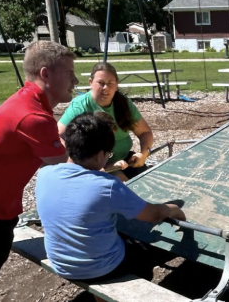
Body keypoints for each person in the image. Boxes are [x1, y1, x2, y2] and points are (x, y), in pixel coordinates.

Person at [36, 113, 185, 295]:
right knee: (145, 256)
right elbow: (153, 215)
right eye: (109, 154)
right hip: (100, 268)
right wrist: (173, 209)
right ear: (100, 155)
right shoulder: (106, 185)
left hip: (62, 262)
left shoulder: (45, 174)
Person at [0, 41, 78, 300]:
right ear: (46, 74)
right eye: (69, 72)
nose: (75, 80)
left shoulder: (29, 103)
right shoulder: (32, 115)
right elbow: (68, 167)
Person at [58, 62, 153, 182]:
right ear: (90, 82)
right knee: (122, 185)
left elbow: (145, 132)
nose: (105, 88)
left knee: (149, 183)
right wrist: (86, 165)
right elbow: (58, 135)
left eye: (110, 83)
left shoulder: (124, 104)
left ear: (116, 84)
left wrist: (143, 154)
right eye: (101, 83)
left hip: (125, 160)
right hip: (94, 165)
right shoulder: (80, 106)